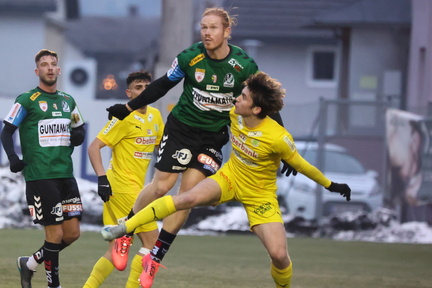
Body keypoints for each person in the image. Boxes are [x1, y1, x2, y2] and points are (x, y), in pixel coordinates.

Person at [102, 71, 351, 288]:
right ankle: (126, 227)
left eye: (242, 97)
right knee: (185, 198)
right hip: (230, 178)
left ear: (256, 109)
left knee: (279, 255)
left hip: (259, 195)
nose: (235, 99)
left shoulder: (278, 138)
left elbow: (303, 165)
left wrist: (332, 185)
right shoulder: (234, 114)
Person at [0, 49, 86, 288]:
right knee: (55, 236)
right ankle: (53, 285)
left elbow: (79, 128)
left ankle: (29, 264)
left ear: (58, 69)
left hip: (66, 175)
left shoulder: (68, 100)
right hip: (40, 175)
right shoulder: (26, 100)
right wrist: (13, 157)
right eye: (45, 65)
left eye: (53, 64)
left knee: (71, 234)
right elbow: (6, 131)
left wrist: (78, 135)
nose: (50, 68)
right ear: (37, 71)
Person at [83, 71, 164, 288]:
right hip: (121, 187)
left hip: (137, 188)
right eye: (138, 88)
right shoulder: (123, 117)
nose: (143, 91)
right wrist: (102, 178)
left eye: (147, 87)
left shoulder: (155, 116)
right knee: (153, 242)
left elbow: (160, 146)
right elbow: (94, 148)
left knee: (114, 251)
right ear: (129, 93)